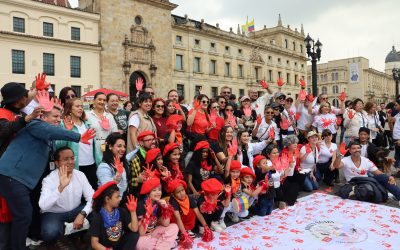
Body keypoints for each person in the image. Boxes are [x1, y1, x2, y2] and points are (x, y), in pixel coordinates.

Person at [0, 106, 95, 250]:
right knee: (24, 215)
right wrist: (78, 137)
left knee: (23, 216)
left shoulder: (46, 135)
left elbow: (59, 145)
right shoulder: (36, 124)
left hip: (19, 179)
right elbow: (53, 131)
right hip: (12, 176)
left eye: (60, 117)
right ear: (43, 117)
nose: (59, 120)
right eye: (55, 117)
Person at [0, 82, 43, 250]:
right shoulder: (3, 113)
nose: (28, 98)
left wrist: (36, 89)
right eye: (24, 96)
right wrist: (28, 118)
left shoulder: (14, 109)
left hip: (14, 173)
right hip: (5, 173)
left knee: (17, 214)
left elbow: (27, 98)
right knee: (6, 215)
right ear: (17, 100)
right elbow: (4, 129)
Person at [39, 147, 94, 248]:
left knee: (98, 213)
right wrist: (60, 187)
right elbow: (43, 206)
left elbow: (92, 198)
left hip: (75, 211)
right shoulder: (49, 179)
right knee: (49, 233)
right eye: (65, 159)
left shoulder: (80, 175)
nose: (70, 162)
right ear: (57, 163)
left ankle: (78, 237)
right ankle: (55, 242)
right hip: (55, 214)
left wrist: (82, 213)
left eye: (72, 158)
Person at [333, 141, 400, 205]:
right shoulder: (345, 160)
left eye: (358, 148)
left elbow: (378, 172)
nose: (356, 150)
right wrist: (340, 155)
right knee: (366, 189)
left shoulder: (366, 160)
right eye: (354, 148)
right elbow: (336, 166)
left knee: (384, 177)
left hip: (366, 181)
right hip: (354, 183)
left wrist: (389, 177)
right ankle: (382, 193)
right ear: (350, 151)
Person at [57, 98, 101, 189]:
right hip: (75, 165)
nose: (80, 108)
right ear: (69, 109)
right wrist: (67, 132)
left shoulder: (87, 124)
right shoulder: (63, 124)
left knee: (92, 192)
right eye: (77, 106)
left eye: (81, 106)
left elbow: (93, 146)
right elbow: (58, 146)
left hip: (91, 164)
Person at [90, 181, 140, 250]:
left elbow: (134, 229)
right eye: (117, 197)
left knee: (134, 235)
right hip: (106, 248)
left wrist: (133, 211)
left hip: (118, 246)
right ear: (107, 199)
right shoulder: (98, 217)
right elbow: (94, 243)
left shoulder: (121, 211)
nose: (120, 199)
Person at [135, 178, 179, 250]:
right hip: (143, 236)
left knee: (174, 227)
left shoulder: (158, 203)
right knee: (140, 244)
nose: (158, 193)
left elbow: (166, 224)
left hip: (154, 232)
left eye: (159, 190)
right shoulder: (141, 205)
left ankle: (160, 246)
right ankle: (165, 244)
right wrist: (147, 215)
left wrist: (165, 208)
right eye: (154, 190)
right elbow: (141, 233)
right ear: (148, 193)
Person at [167, 179, 213, 248]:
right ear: (173, 194)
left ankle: (187, 229)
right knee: (173, 216)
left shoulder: (189, 198)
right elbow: (177, 218)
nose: (182, 193)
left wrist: (206, 226)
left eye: (182, 190)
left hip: (183, 220)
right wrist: (184, 234)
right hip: (175, 221)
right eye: (178, 192)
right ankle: (177, 232)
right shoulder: (173, 201)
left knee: (192, 212)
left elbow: (198, 213)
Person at [97, 133, 129, 198]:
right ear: (110, 146)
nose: (123, 149)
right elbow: (109, 191)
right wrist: (116, 179)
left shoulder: (122, 162)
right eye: (119, 146)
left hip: (122, 199)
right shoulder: (103, 167)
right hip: (109, 203)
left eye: (124, 146)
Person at [87, 92, 118, 157]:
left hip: (106, 147)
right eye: (100, 99)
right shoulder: (87, 115)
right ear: (94, 101)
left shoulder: (109, 116)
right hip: (91, 147)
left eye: (104, 100)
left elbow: (115, 133)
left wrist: (109, 142)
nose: (102, 102)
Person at [128, 131, 157, 196]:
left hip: (155, 191)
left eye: (153, 139)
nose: (153, 142)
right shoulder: (134, 159)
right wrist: (138, 180)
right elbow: (128, 182)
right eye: (149, 140)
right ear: (141, 143)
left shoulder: (156, 154)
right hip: (139, 194)